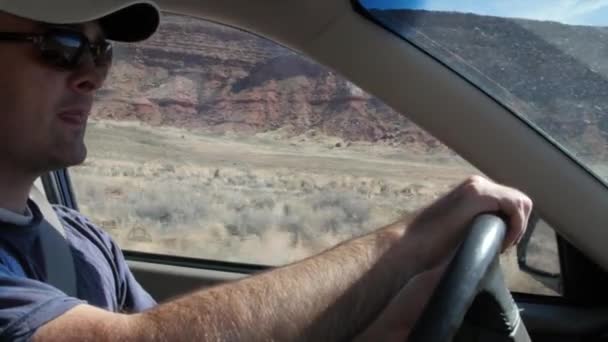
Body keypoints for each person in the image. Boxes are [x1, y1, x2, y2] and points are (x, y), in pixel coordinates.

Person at [0, 0, 533, 341]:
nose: (93, 74)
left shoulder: (84, 242)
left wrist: (397, 318)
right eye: (63, 45)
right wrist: (407, 242)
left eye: (101, 51)